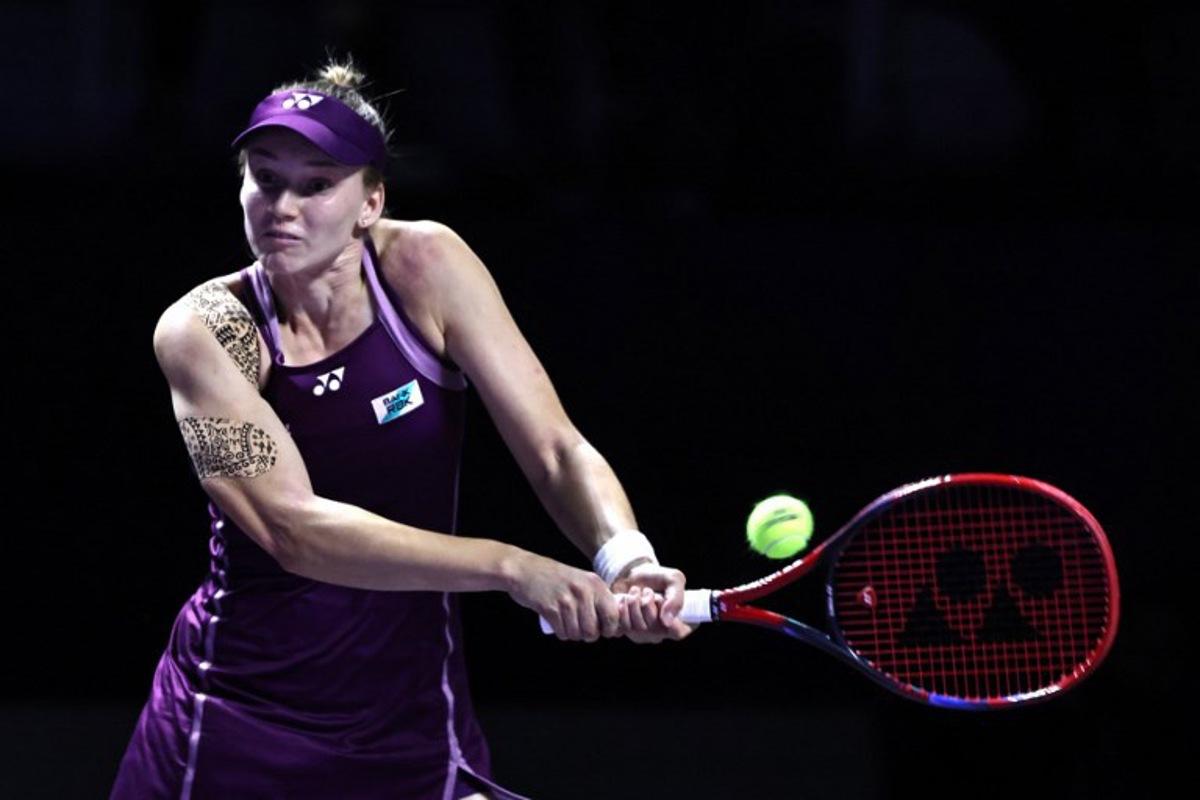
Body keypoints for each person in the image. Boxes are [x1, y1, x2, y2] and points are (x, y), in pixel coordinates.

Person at [110, 58, 692, 800]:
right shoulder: (206, 330)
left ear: (370, 202)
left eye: (316, 184)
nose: (282, 205)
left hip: (414, 720)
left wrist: (625, 560)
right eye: (265, 177)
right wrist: (513, 566)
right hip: (235, 723)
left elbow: (555, 449)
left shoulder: (428, 267)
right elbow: (293, 532)